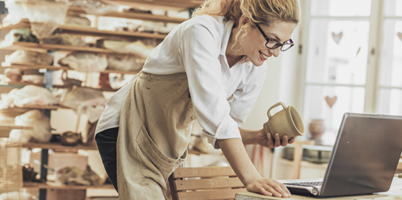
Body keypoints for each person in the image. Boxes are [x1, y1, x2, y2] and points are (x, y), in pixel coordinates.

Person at [94, 0, 300, 199]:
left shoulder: (255, 66)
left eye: (283, 44)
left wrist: (255, 137)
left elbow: (225, 129)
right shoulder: (201, 32)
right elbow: (217, 118)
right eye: (272, 40)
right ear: (245, 22)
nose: (275, 53)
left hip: (165, 145)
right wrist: (252, 178)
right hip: (123, 129)